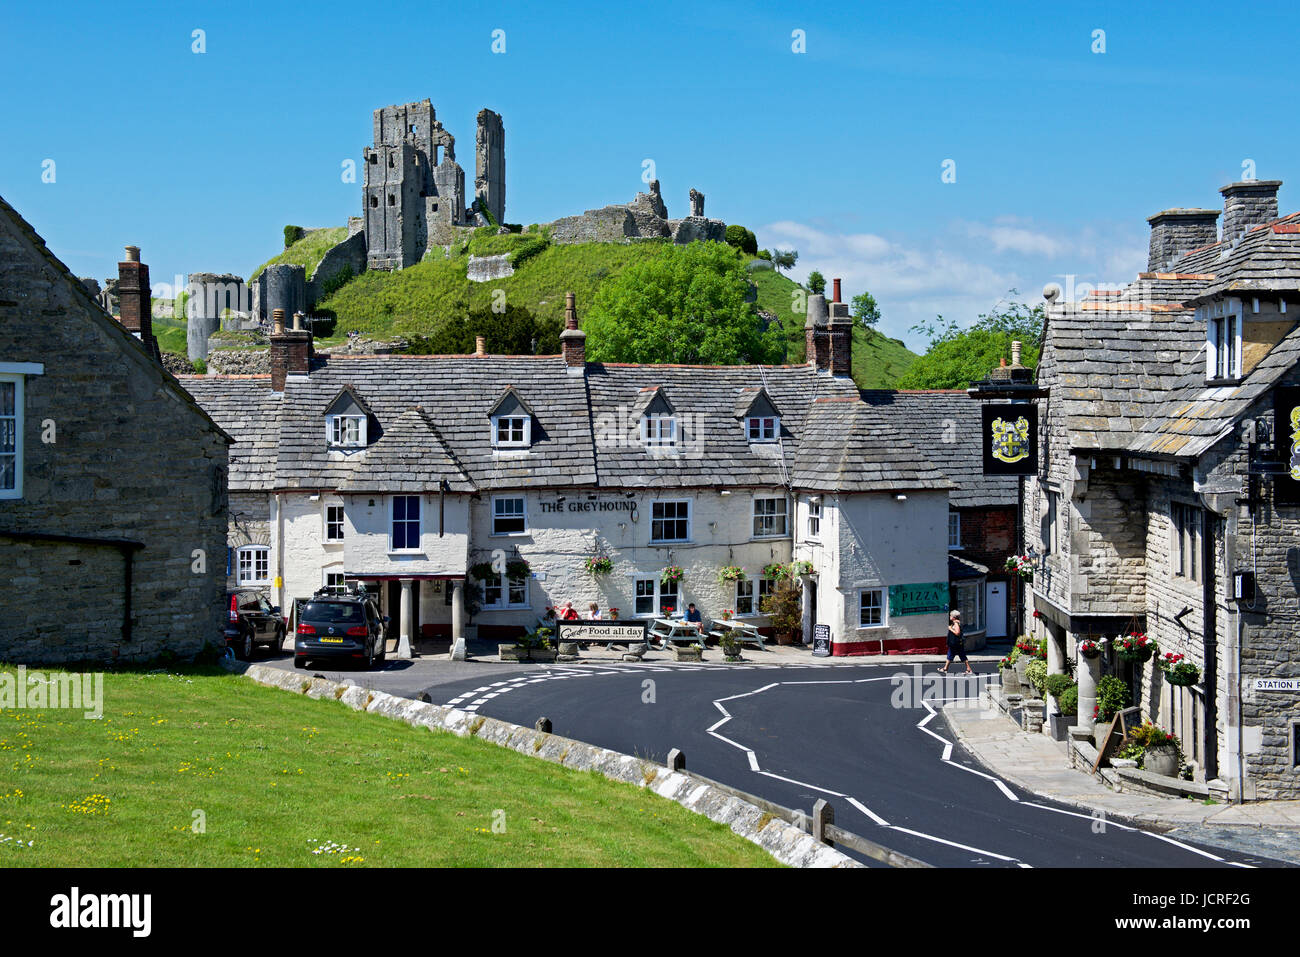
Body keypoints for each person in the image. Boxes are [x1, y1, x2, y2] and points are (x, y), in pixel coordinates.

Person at [939, 609, 973, 675]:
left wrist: (950, 629)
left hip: (955, 643)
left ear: (954, 617)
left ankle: (945, 668)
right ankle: (968, 669)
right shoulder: (956, 622)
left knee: (952, 655)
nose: (950, 617)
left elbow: (957, 633)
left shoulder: (956, 623)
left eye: (950, 615)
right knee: (959, 655)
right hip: (957, 643)